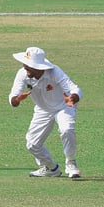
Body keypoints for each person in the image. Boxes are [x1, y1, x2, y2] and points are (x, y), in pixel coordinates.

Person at [8, 46, 83, 178]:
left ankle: (71, 162)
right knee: (32, 144)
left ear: (38, 67)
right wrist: (18, 99)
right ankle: (50, 168)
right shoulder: (22, 73)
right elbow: (13, 100)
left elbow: (74, 88)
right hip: (42, 109)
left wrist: (72, 97)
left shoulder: (54, 72)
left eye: (28, 65)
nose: (25, 67)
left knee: (67, 129)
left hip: (63, 107)